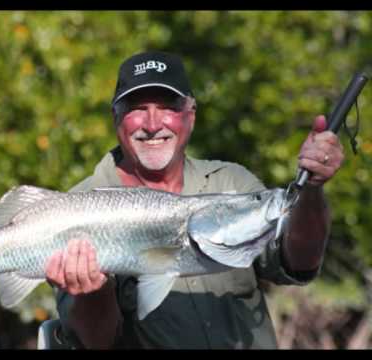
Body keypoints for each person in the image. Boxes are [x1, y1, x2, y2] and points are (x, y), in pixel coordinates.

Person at [41, 50, 344, 349]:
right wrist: (92, 292)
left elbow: (300, 262)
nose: (152, 123)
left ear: (191, 115)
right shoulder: (75, 209)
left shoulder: (232, 183)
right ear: (116, 117)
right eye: (137, 107)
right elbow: (95, 343)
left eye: (168, 106)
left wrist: (313, 188)